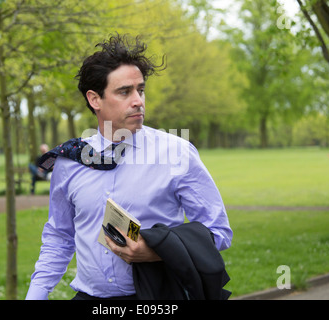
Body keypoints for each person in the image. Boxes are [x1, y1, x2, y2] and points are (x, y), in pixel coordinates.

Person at [26, 33, 232, 300]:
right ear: (94, 99)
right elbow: (59, 237)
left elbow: (218, 232)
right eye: (125, 91)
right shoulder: (69, 161)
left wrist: (158, 251)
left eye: (141, 90)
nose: (138, 100)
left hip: (158, 298)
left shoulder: (176, 153)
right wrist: (35, 295)